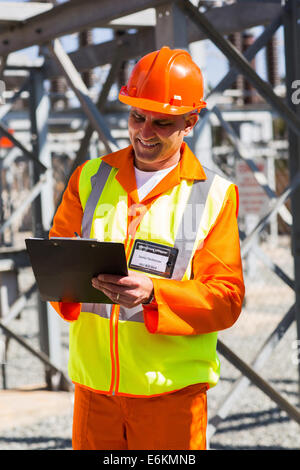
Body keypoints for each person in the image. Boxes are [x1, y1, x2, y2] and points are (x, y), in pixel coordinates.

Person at [49, 46, 245, 450]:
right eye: (137, 116)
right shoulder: (89, 178)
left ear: (190, 122)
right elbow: (55, 269)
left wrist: (156, 294)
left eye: (162, 122)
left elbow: (226, 299)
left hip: (171, 400)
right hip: (95, 393)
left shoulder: (213, 195)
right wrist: (69, 289)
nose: (144, 131)